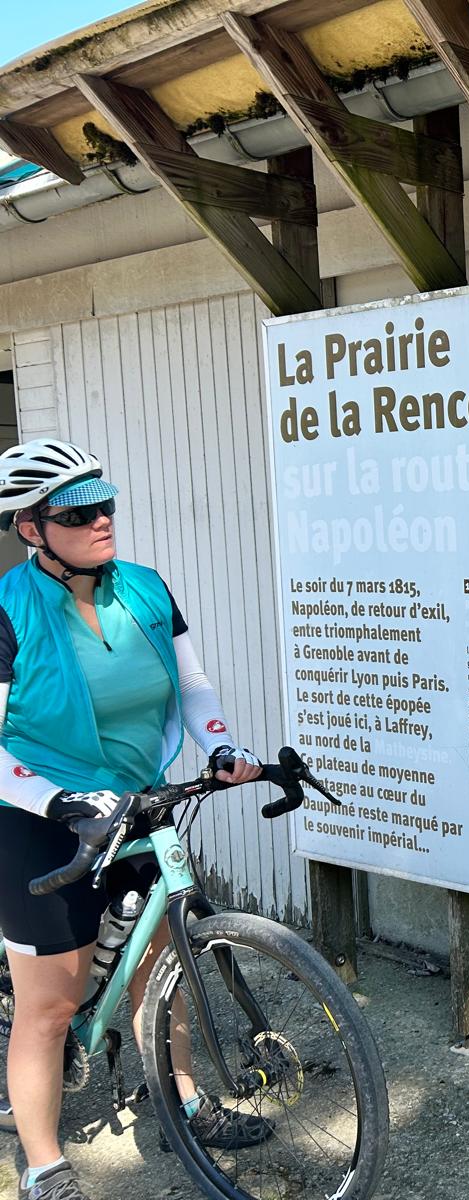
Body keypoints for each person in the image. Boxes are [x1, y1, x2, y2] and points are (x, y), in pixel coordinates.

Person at [0, 440, 271, 1200]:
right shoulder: (7, 610)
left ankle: (182, 1102)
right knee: (51, 1005)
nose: (101, 521)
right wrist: (57, 800)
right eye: (77, 513)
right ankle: (44, 1166)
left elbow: (192, 683)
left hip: (137, 805)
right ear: (30, 529)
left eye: (106, 504)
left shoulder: (146, 588)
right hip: (40, 818)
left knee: (164, 969)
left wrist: (222, 747)